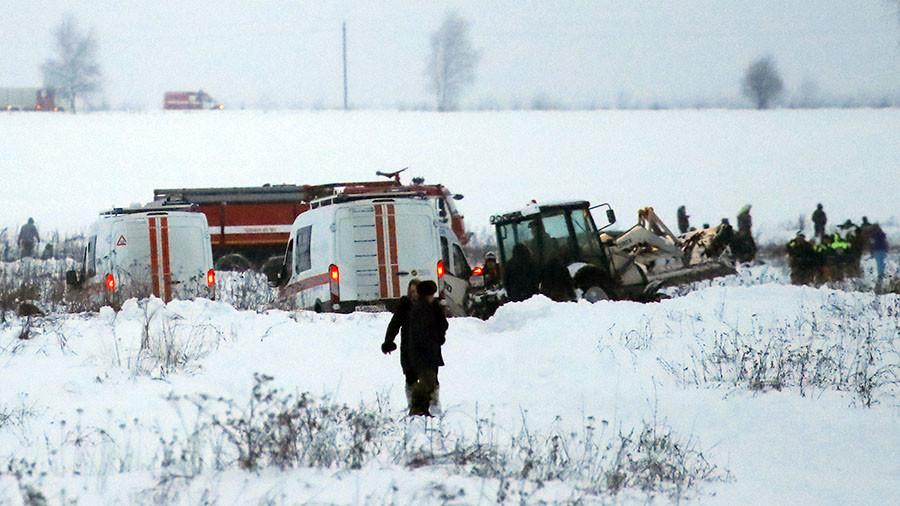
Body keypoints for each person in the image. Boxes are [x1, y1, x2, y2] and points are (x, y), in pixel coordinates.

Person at [407, 281, 448, 416]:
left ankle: (422, 408)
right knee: (428, 381)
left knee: (430, 381)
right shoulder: (421, 309)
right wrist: (434, 340)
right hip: (424, 352)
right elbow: (422, 332)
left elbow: (442, 323)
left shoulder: (430, 307)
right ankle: (418, 407)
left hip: (428, 351)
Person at [382, 279, 421, 412]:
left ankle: (431, 407)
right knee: (410, 377)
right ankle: (413, 406)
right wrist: (388, 342)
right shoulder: (404, 306)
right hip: (408, 349)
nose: (413, 294)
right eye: (411, 292)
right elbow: (394, 325)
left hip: (425, 349)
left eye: (415, 291)